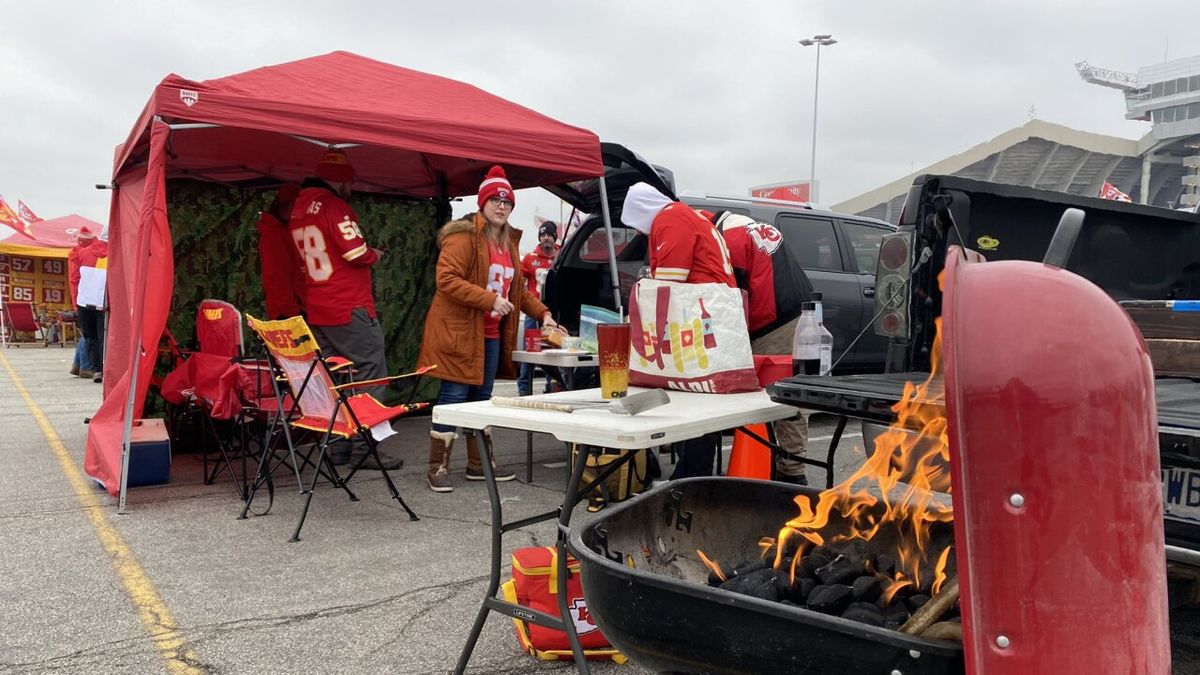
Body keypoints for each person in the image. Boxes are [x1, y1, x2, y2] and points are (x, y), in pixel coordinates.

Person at [417, 165, 559, 493]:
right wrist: (488, 300)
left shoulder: (509, 243)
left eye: (507, 202)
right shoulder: (462, 236)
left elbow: (517, 290)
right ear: (482, 203)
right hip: (459, 330)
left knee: (482, 397)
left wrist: (544, 312)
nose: (501, 206)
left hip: (491, 335)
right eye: (494, 200)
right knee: (453, 397)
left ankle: (479, 465)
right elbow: (447, 280)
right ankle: (436, 468)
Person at [289, 149, 401, 470]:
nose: (351, 186)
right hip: (349, 305)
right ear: (339, 179)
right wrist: (375, 255)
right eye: (349, 180)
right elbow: (355, 252)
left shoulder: (298, 208)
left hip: (319, 306)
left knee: (337, 380)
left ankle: (339, 448)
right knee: (371, 374)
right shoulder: (334, 205)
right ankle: (367, 448)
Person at [620, 182, 736, 480]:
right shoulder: (689, 215)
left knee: (694, 402)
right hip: (715, 314)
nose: (639, 232)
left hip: (698, 318)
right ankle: (691, 471)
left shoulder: (670, 219)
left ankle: (691, 475)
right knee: (700, 398)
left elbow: (670, 283)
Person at [709, 210, 815, 485]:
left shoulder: (729, 240)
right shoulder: (754, 227)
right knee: (793, 392)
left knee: (781, 398)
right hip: (802, 315)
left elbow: (734, 298)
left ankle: (791, 473)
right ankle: (788, 463)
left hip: (773, 322)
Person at [517, 220, 560, 396]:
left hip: (554, 313)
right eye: (543, 235)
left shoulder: (561, 255)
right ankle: (524, 389)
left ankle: (551, 388)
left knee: (552, 351)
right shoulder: (530, 258)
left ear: (555, 237)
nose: (546, 238)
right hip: (533, 313)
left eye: (549, 234)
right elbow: (518, 281)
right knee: (530, 351)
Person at [256, 184, 305, 320]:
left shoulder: (285, 231)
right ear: (290, 205)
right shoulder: (275, 235)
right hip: (288, 312)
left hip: (294, 308)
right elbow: (277, 276)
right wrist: (292, 312)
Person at [69, 227, 108, 383]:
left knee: (90, 336)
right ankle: (106, 367)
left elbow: (74, 279)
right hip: (106, 302)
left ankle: (96, 369)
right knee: (104, 335)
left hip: (84, 300)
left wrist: (75, 302)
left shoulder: (79, 253)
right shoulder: (118, 252)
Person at [67, 227, 96, 378]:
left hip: (79, 295)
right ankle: (86, 366)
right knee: (89, 333)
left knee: (85, 331)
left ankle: (77, 364)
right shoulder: (86, 254)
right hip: (87, 296)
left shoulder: (74, 253)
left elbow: (73, 279)